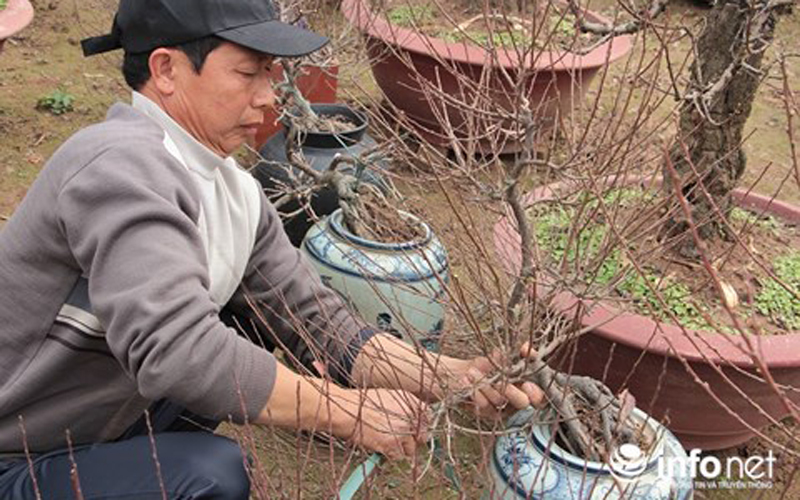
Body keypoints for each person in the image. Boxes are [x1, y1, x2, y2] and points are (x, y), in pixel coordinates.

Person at [0, 0, 544, 497]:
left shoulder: (233, 190)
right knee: (209, 475)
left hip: (101, 423)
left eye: (269, 73)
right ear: (165, 70)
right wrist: (342, 411)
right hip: (16, 450)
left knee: (255, 317)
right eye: (247, 72)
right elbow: (176, 349)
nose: (267, 96)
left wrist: (451, 377)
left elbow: (318, 321)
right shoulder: (117, 167)